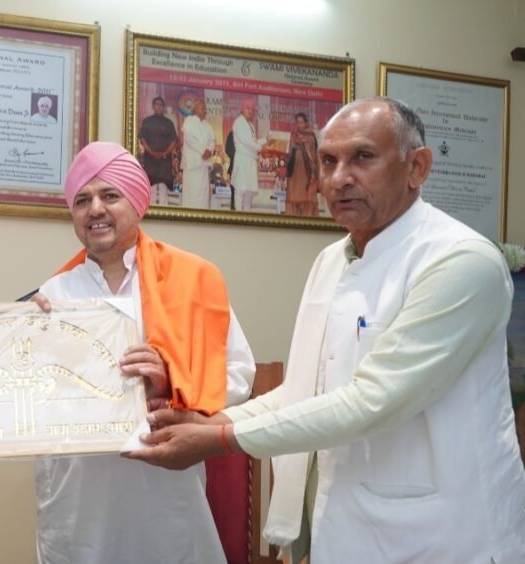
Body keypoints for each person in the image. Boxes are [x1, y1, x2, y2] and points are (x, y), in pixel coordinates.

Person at [125, 97, 525, 562]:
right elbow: (307, 387)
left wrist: (218, 439)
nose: (339, 178)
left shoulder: (461, 261)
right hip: (344, 521)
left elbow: (372, 400)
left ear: (417, 167)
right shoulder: (332, 260)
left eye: (363, 157)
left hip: (442, 535)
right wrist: (217, 422)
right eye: (329, 161)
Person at [32, 141, 255, 564]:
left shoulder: (193, 280)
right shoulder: (52, 295)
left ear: (137, 203)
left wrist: (173, 384)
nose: (95, 209)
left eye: (109, 195)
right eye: (82, 200)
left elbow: (239, 374)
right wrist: (24, 340)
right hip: (78, 496)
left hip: (164, 491)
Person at [137, 97, 178, 204]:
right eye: (156, 104)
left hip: (165, 161)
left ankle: (163, 211)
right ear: (153, 106)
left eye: (161, 105)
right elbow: (142, 139)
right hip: (150, 160)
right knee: (150, 187)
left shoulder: (169, 123)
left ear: (163, 107)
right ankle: (150, 210)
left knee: (164, 188)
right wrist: (151, 152)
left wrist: (165, 153)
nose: (158, 107)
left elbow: (173, 141)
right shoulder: (147, 121)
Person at [181, 99, 217, 209]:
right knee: (191, 193)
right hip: (192, 164)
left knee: (203, 193)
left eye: (205, 108)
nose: (204, 110)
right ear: (195, 109)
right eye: (202, 108)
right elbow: (189, 139)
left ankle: (202, 216)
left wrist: (210, 151)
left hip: (204, 165)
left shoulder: (207, 125)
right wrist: (203, 151)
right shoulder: (189, 121)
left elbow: (213, 141)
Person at [230, 98, 266, 211]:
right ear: (242, 110)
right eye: (248, 108)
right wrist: (261, 148)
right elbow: (247, 142)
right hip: (243, 159)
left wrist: (265, 140)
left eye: (252, 109)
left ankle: (247, 215)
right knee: (240, 189)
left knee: (249, 191)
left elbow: (253, 142)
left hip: (251, 160)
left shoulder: (250, 125)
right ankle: (238, 216)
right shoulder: (239, 122)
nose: (250, 111)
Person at [284, 112, 320, 216]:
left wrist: (302, 144)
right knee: (293, 196)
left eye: (301, 122)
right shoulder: (293, 135)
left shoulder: (311, 136)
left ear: (306, 123)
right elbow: (288, 152)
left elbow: (313, 154)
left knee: (307, 197)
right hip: (295, 171)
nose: (299, 125)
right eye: (297, 122)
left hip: (307, 172)